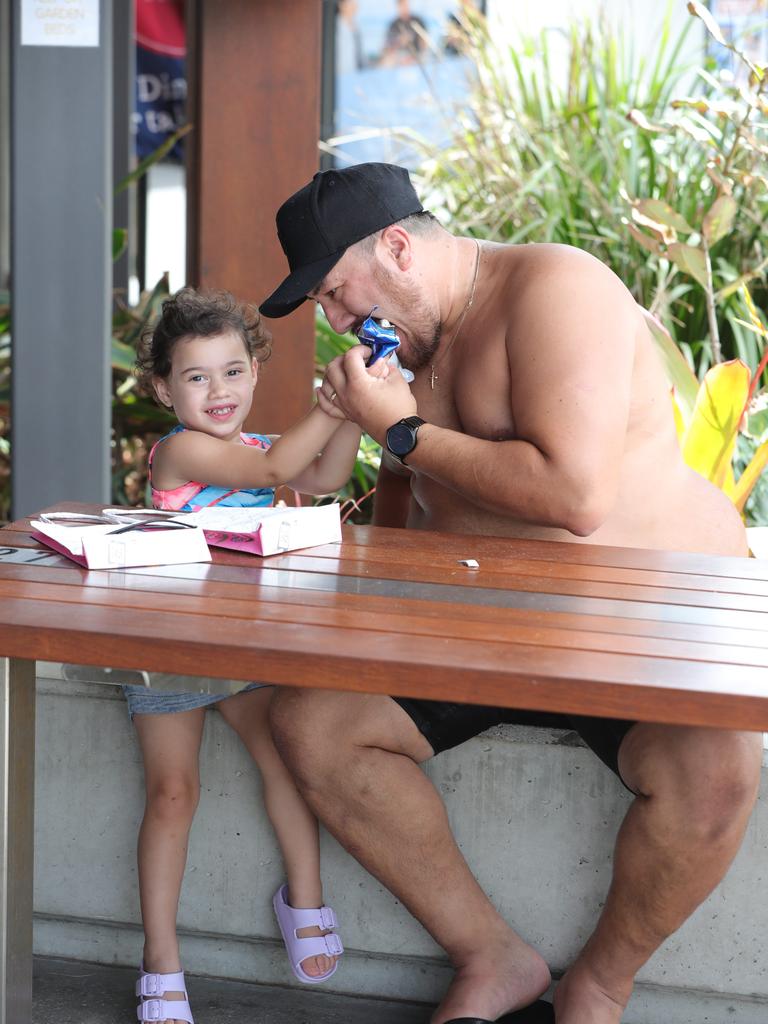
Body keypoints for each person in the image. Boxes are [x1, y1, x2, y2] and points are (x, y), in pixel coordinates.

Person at [257, 163, 763, 1024]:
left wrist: (400, 428)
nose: (338, 323)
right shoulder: (404, 345)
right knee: (311, 721)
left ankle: (599, 986)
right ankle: (492, 960)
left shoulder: (558, 288)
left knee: (715, 776)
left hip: (639, 631)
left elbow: (576, 497)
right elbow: (400, 501)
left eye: (339, 294)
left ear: (400, 248)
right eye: (325, 310)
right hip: (478, 629)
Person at [128, 287, 376, 1024]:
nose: (218, 391)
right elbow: (274, 479)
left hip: (246, 644)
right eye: (196, 377)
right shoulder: (180, 451)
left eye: (233, 372)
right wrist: (332, 407)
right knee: (173, 796)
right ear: (164, 388)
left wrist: (358, 409)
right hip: (169, 646)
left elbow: (324, 476)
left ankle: (303, 896)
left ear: (256, 375)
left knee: (287, 764)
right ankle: (161, 961)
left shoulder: (263, 448)